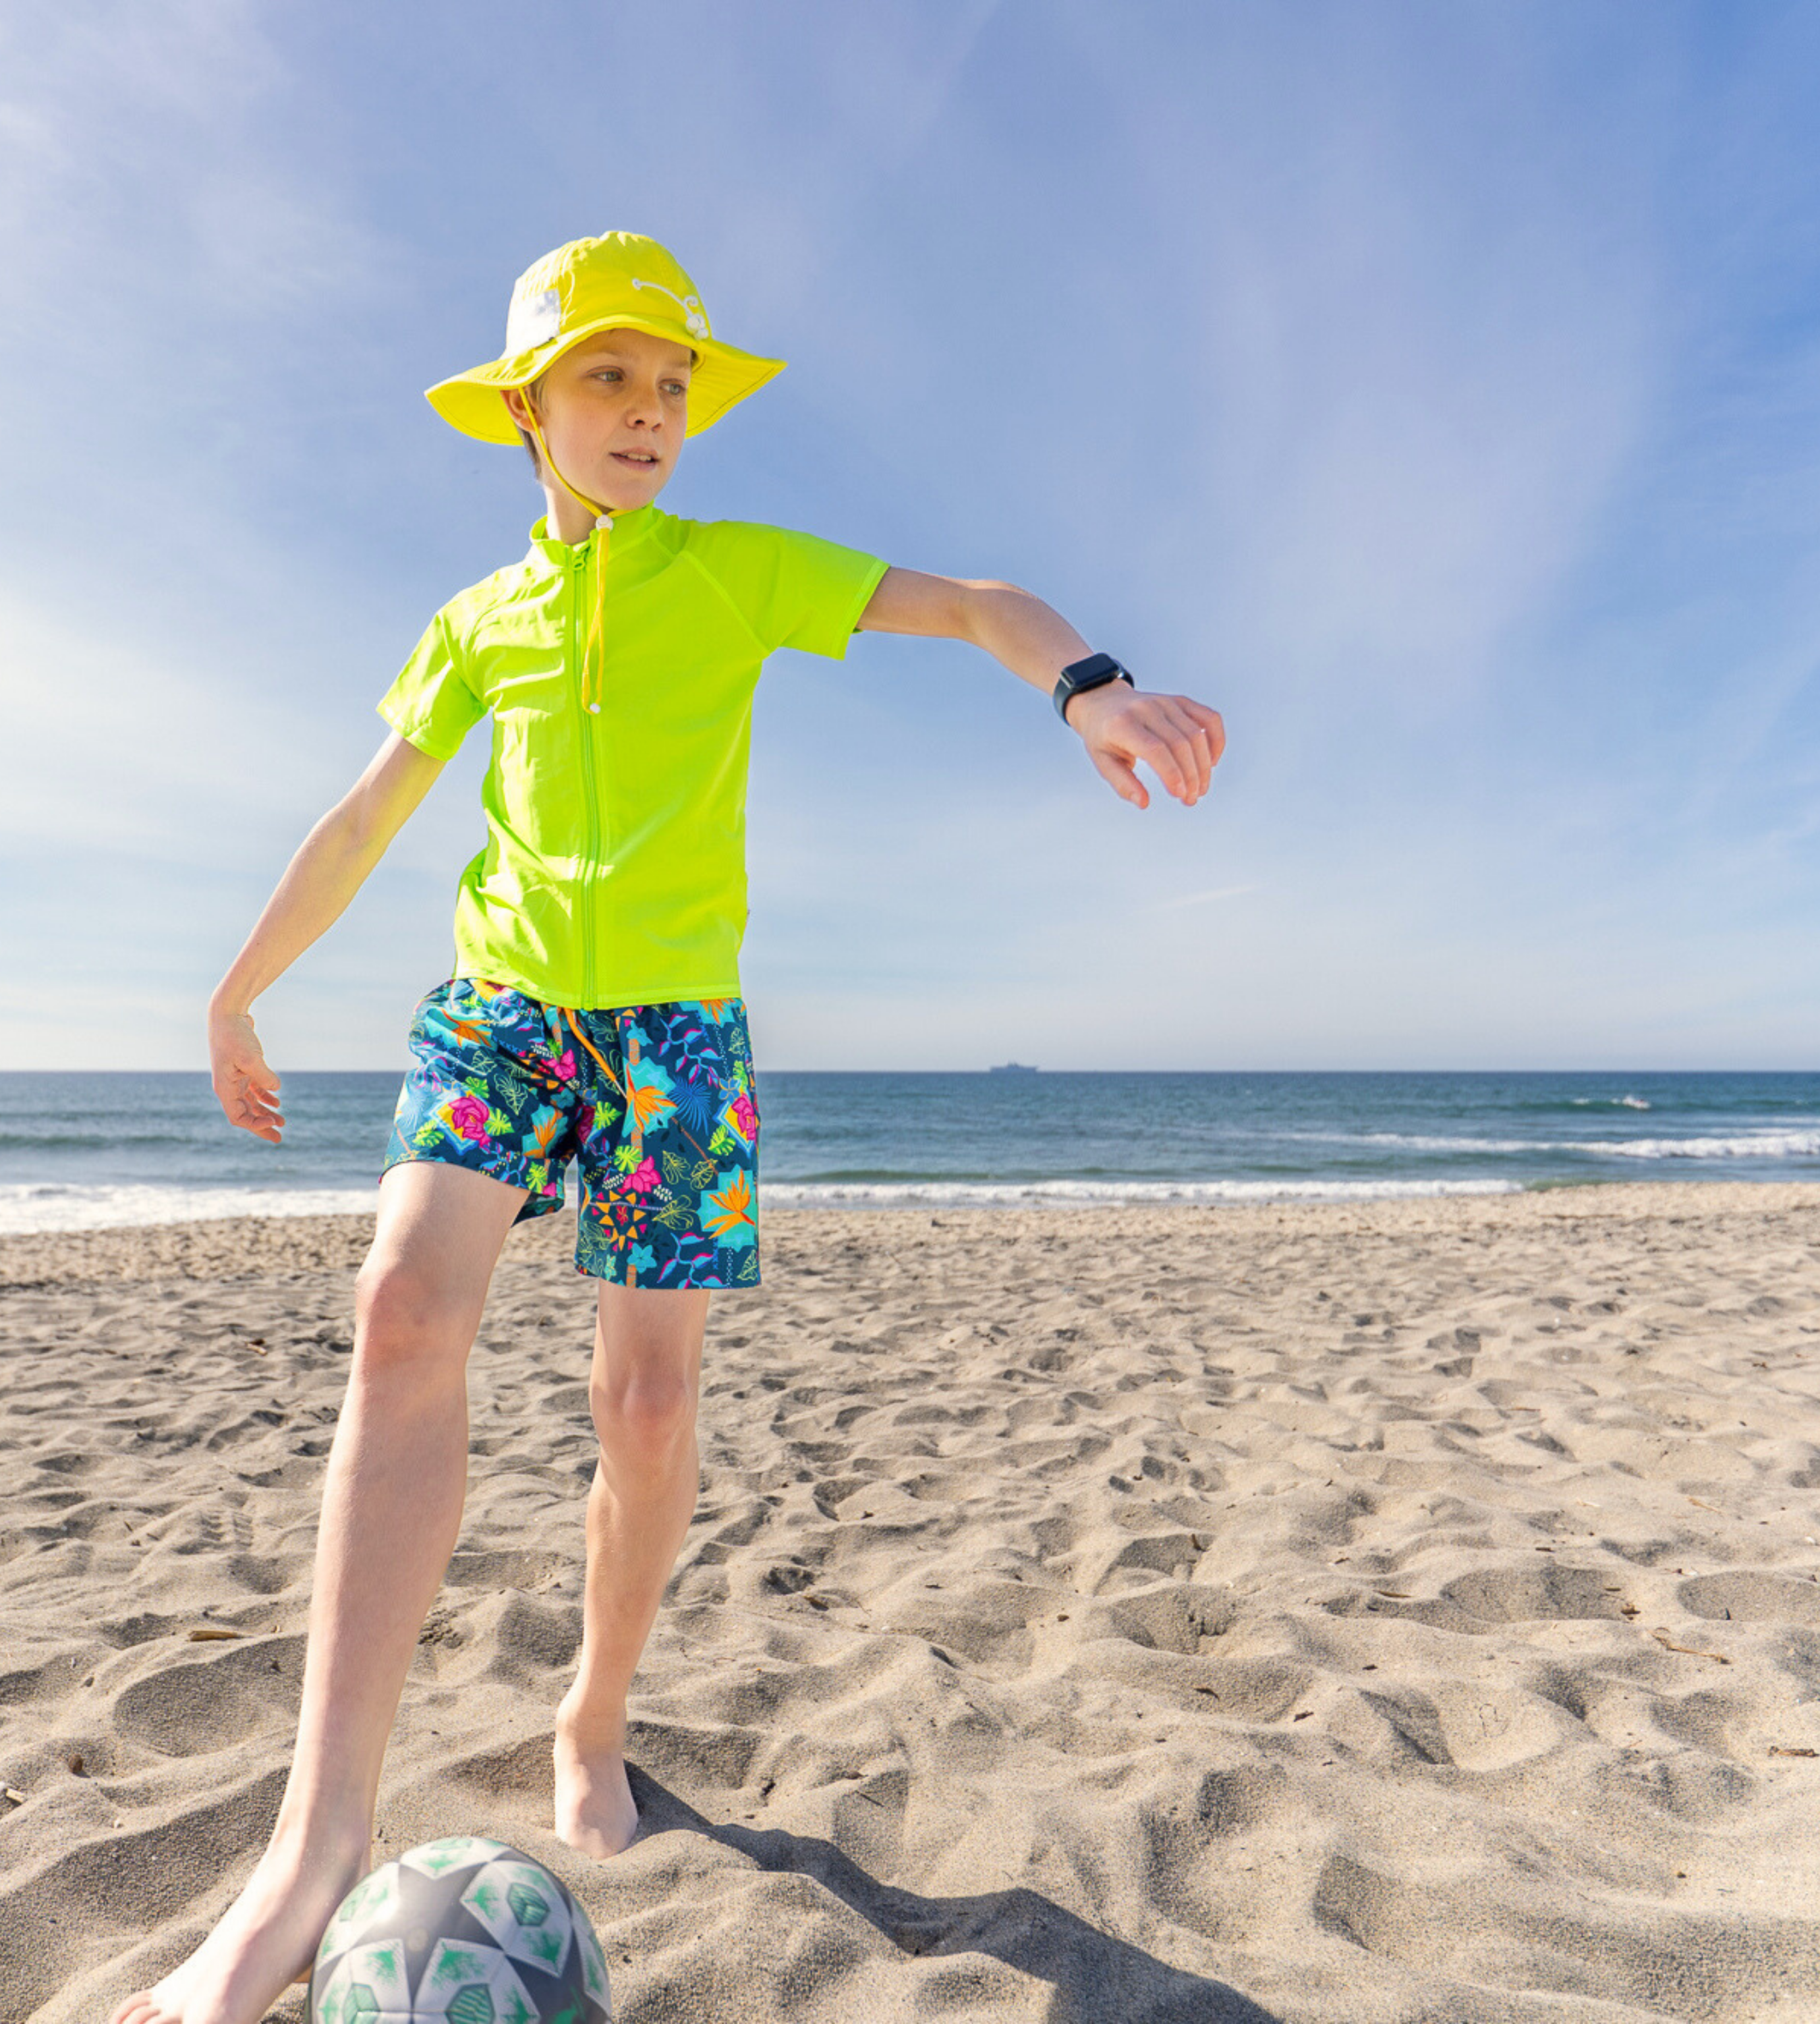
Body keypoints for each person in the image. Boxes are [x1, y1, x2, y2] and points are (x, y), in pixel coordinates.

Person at [115, 229, 1224, 2024]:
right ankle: (308, 1851)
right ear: (527, 410)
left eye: (672, 384)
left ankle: (596, 1721)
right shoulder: (482, 623)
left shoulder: (737, 573)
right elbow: (361, 818)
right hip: (504, 1008)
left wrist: (1090, 684)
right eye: (609, 378)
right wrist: (237, 990)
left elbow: (973, 600)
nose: (647, 412)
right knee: (402, 1307)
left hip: (677, 1036)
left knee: (646, 1398)